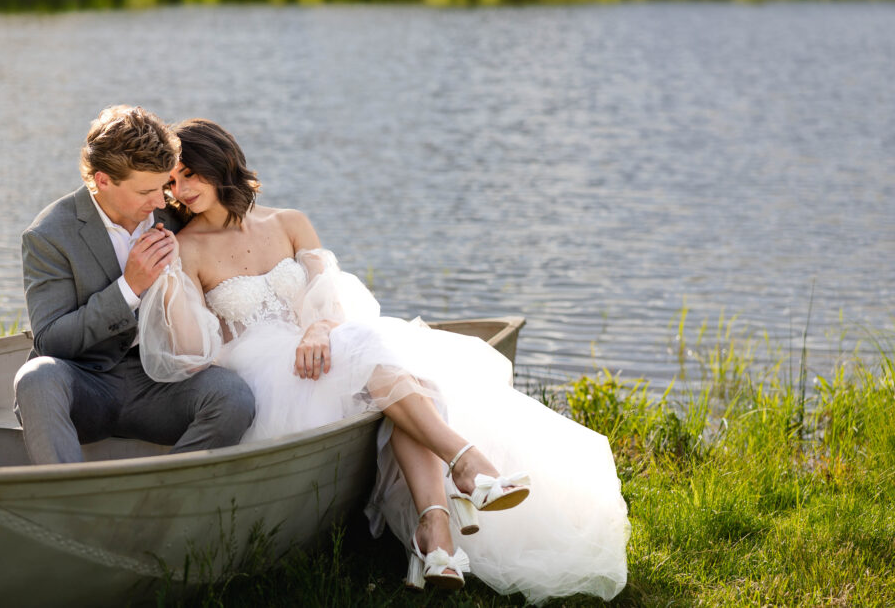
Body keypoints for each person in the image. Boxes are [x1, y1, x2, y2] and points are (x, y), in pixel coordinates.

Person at [139, 118, 630, 602]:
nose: (181, 187)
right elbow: (190, 350)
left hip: (322, 345)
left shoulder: (287, 223)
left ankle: (436, 536)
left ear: (219, 162)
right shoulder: (186, 247)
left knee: (399, 377)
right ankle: (466, 467)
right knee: (398, 377)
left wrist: (318, 327)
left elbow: (330, 298)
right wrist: (167, 282)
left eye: (189, 172)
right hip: (267, 373)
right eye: (173, 181)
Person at [14, 106, 255, 464]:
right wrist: (128, 288)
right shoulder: (49, 235)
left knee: (233, 396)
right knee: (35, 378)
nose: (160, 201)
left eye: (163, 186)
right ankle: (64, 508)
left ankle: (162, 500)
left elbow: (237, 239)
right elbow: (51, 339)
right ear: (103, 180)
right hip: (86, 385)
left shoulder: (174, 216)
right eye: (146, 191)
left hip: (161, 385)